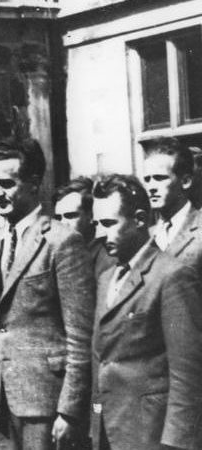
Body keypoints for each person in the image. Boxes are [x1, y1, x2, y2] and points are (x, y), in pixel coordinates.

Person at [0, 137, 94, 450]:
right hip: (0, 404)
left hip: (47, 403)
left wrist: (69, 411)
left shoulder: (62, 242)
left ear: (33, 183)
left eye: (6, 183)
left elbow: (80, 337)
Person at [91, 174, 202, 450]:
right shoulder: (106, 278)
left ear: (140, 219)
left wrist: (175, 443)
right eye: (96, 224)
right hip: (109, 429)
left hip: (151, 435)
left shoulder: (172, 276)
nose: (100, 234)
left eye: (109, 223)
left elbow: (187, 374)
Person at [142, 138, 202, 275]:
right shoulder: (147, 235)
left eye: (159, 178)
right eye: (147, 179)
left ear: (185, 181)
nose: (151, 187)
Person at [53, 176, 115, 277]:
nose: (63, 223)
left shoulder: (107, 261)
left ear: (91, 216)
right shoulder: (63, 257)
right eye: (58, 218)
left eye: (70, 216)